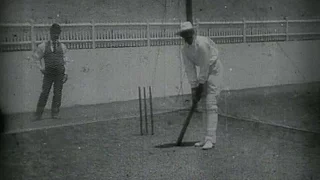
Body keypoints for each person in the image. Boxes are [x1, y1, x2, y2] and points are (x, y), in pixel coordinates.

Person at [177, 21, 224, 150]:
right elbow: (190, 69)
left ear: (193, 32)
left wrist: (200, 85)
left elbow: (204, 66)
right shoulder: (185, 49)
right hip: (205, 71)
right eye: (184, 34)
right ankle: (205, 138)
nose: (187, 37)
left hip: (214, 70)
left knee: (210, 103)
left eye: (189, 33)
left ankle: (211, 139)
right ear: (182, 36)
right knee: (203, 105)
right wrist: (194, 88)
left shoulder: (202, 44)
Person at [33, 23, 69, 120]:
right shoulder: (43, 46)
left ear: (59, 33)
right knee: (45, 93)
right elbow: (36, 58)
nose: (55, 35)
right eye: (54, 33)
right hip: (48, 73)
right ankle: (38, 115)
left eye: (57, 33)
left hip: (59, 73)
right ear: (50, 33)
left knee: (58, 93)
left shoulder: (63, 46)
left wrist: (65, 73)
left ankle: (55, 113)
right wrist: (41, 69)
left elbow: (65, 60)